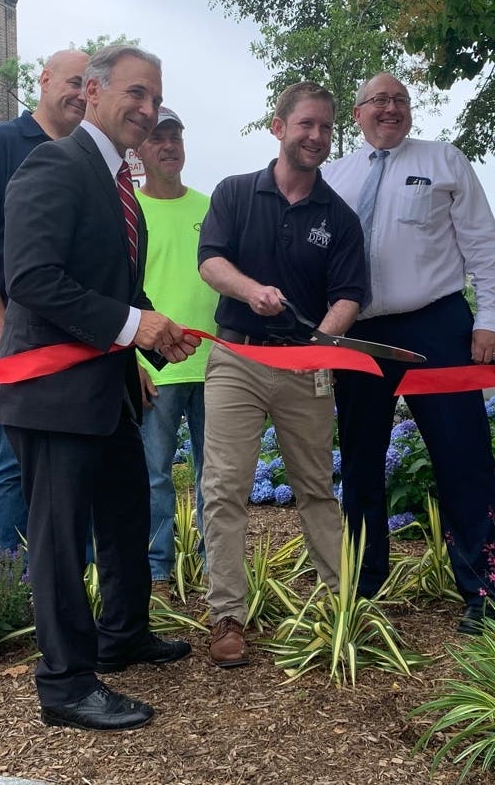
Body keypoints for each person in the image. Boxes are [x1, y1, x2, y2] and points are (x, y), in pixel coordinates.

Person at [0, 44, 198, 731]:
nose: (146, 109)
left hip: (108, 389)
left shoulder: (118, 183)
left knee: (126, 513)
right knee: (59, 537)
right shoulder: (55, 163)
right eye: (135, 93)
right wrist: (135, 324)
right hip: (52, 394)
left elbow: (114, 288)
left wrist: (153, 339)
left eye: (155, 99)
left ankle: (122, 634)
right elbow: (33, 279)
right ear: (96, 93)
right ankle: (66, 683)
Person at [322, 72, 495, 634]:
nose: (390, 108)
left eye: (400, 100)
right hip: (358, 332)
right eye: (378, 101)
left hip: (438, 325)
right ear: (356, 115)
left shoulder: (444, 160)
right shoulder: (334, 175)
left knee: (464, 456)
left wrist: (492, 317)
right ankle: (362, 582)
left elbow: (483, 242)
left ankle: (487, 590)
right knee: (359, 460)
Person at [197, 81, 366, 668]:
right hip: (237, 357)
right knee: (223, 487)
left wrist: (320, 342)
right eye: (305, 125)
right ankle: (227, 617)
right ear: (279, 126)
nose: (316, 136)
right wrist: (252, 291)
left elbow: (350, 296)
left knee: (317, 489)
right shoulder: (236, 193)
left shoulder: (339, 217)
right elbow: (211, 263)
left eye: (325, 127)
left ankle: (342, 603)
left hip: (305, 365)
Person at [0, 48, 89, 553]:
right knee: (15, 456)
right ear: (45, 79)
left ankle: (72, 584)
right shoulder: (4, 143)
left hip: (77, 336)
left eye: (89, 84)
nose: (81, 92)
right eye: (73, 80)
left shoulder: (89, 156)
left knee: (76, 455)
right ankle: (13, 585)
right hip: (13, 333)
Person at [133, 106, 218, 595]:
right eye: (158, 138)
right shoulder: (130, 212)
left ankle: (216, 565)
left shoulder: (211, 209)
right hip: (154, 369)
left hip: (215, 368)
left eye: (175, 137)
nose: (168, 146)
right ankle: (157, 569)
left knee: (217, 479)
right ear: (139, 150)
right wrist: (133, 361)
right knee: (153, 478)